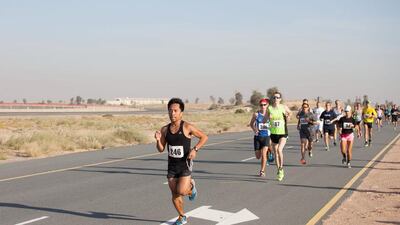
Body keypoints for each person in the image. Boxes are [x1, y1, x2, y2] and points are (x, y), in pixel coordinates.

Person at [154, 98, 208, 225]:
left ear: (181, 113)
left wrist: (195, 149)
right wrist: (157, 140)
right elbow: (161, 149)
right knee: (174, 194)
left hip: (185, 164)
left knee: (182, 191)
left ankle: (191, 188)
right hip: (172, 166)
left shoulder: (187, 126)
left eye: (175, 110)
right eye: (170, 110)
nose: (172, 113)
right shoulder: (164, 130)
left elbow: (204, 137)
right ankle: (182, 216)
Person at [268, 92, 292, 181]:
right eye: (274, 97)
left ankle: (281, 168)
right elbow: (265, 118)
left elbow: (290, 113)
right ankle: (279, 170)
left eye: (277, 97)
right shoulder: (269, 108)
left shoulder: (283, 107)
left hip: (283, 132)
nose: (276, 99)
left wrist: (288, 116)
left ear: (280, 99)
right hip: (274, 133)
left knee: (279, 150)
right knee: (275, 153)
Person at [249, 98, 271, 177]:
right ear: (259, 106)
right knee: (258, 156)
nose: (263, 106)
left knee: (263, 154)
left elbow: (273, 124)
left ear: (267, 105)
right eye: (261, 105)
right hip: (257, 137)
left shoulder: (269, 114)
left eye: (264, 105)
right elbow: (251, 124)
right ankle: (268, 152)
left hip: (266, 137)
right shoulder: (256, 114)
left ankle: (262, 171)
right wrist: (255, 130)